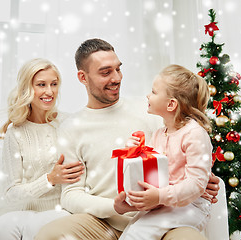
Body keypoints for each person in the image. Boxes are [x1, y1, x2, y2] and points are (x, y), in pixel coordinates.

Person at [35, 39, 220, 240]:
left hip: (162, 213)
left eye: (118, 69)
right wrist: (115, 206)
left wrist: (202, 183)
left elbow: (182, 156)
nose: (116, 78)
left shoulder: (152, 110)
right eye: (106, 72)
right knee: (48, 235)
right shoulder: (71, 129)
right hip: (102, 222)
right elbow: (70, 195)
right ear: (83, 77)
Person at [0, 58, 84, 240]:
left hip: (63, 210)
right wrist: (49, 179)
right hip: (27, 212)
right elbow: (10, 194)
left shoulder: (68, 123)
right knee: (2, 226)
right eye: (41, 85)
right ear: (27, 89)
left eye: (54, 84)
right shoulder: (15, 133)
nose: (49, 91)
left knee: (37, 229)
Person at [116, 64, 213, 240]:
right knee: (130, 232)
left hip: (191, 206)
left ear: (170, 104)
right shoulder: (159, 134)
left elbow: (197, 184)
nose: (148, 95)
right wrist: (133, 151)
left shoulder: (195, 134)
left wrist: (160, 195)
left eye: (153, 92)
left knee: (137, 235)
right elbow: (150, 170)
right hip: (164, 203)